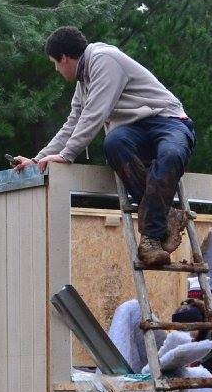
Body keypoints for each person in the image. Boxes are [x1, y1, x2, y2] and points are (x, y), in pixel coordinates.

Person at [11, 26, 195, 267]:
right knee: (114, 143)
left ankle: (151, 238)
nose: (56, 69)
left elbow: (94, 115)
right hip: (136, 131)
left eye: (54, 63)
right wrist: (38, 159)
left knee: (171, 154)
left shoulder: (103, 60)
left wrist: (67, 155)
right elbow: (73, 122)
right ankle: (164, 216)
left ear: (64, 58)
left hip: (169, 121)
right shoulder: (83, 82)